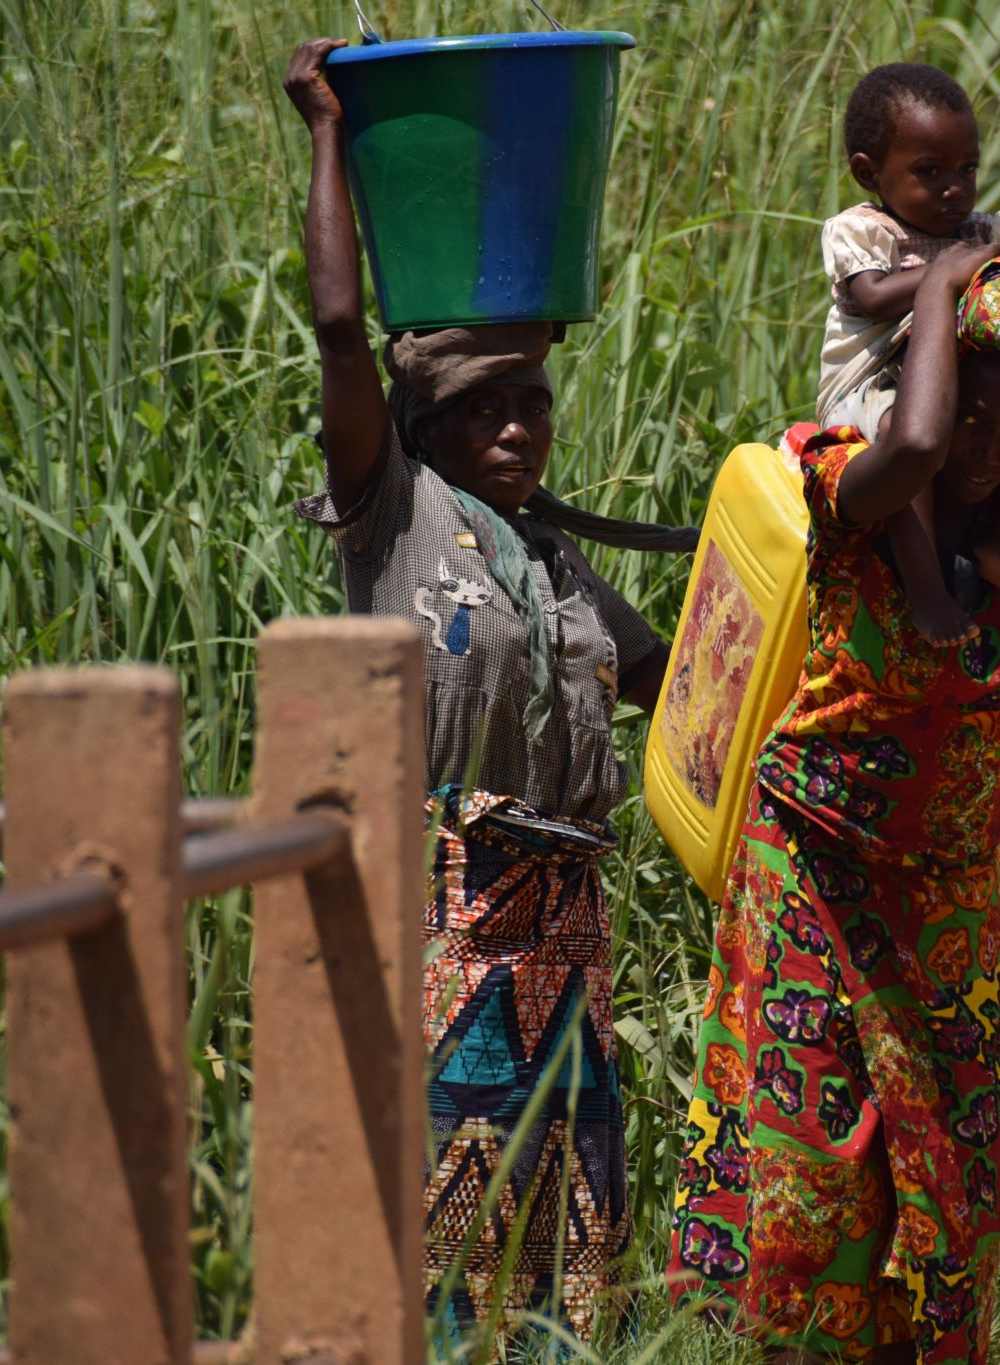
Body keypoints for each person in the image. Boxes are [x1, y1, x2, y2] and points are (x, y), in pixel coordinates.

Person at [668, 243, 1000, 1365]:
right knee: (811, 1187)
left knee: (948, 1198)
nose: (986, 453)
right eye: (973, 421)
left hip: (943, 902)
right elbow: (923, 442)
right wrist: (942, 278)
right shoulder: (847, 477)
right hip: (813, 873)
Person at [284, 38, 692, 1346]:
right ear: (434, 424)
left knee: (577, 1250)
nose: (522, 427)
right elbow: (342, 326)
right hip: (444, 941)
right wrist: (329, 132)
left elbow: (672, 684)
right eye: (491, 405)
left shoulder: (560, 563)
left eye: (537, 403)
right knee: (450, 1246)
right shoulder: (394, 517)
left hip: (571, 951)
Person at [818, 62, 1000, 645]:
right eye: (930, 172)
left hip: (953, 380)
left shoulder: (988, 229)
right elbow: (875, 296)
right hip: (870, 382)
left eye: (968, 168)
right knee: (902, 433)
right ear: (869, 173)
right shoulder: (860, 230)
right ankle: (926, 586)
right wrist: (948, 270)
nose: (954, 187)